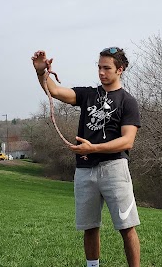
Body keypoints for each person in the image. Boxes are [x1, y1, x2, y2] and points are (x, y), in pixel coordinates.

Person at [32, 47, 141, 267]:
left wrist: (94, 148)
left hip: (115, 169)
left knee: (126, 226)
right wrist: (41, 72)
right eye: (99, 67)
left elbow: (127, 141)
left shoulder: (128, 102)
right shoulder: (88, 94)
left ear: (120, 69)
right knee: (90, 226)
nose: (101, 72)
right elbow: (55, 91)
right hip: (84, 170)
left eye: (107, 68)